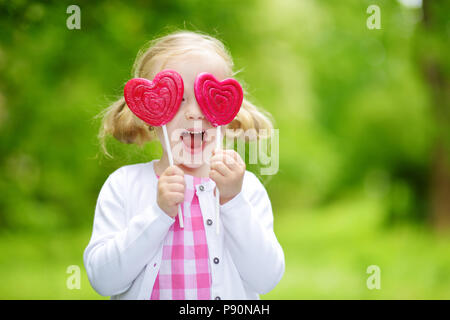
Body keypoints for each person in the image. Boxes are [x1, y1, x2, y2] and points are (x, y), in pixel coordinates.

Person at [83, 30, 285, 300]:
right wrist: (158, 213)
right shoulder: (124, 186)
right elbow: (103, 280)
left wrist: (233, 202)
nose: (194, 112)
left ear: (227, 107)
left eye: (208, 97)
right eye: (178, 100)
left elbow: (267, 277)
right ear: (149, 113)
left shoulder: (245, 189)